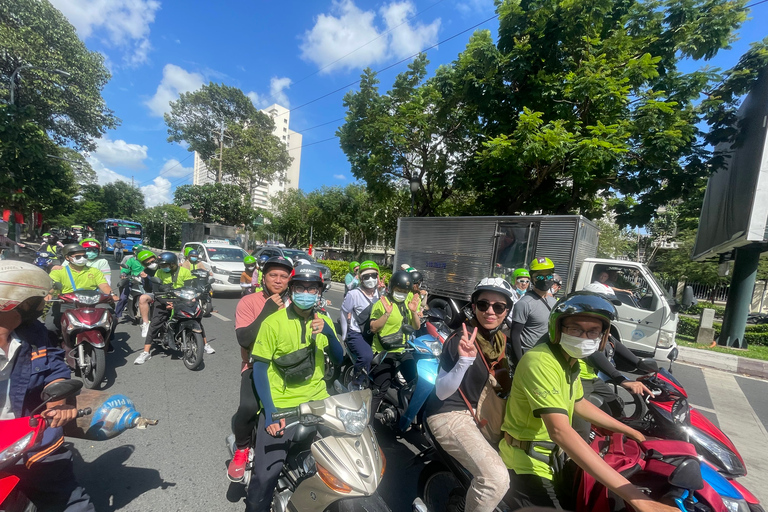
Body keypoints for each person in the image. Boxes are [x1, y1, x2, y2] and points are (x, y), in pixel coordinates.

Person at [500, 292, 676, 512]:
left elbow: (579, 403)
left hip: (551, 459)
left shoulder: (570, 362)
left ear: (603, 336)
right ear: (558, 329)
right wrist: (639, 499)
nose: (584, 337)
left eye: (592, 331)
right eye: (575, 329)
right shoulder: (541, 361)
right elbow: (560, 432)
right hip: (525, 464)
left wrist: (634, 433)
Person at [0, 260, 96, 511]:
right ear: (13, 304)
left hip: (32, 438)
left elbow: (55, 366)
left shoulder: (34, 332)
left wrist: (57, 402)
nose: (44, 306)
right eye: (36, 301)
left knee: (70, 502)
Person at [247, 264, 343, 512]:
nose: (306, 293)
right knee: (266, 475)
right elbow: (259, 369)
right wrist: (270, 412)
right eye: (300, 287)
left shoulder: (323, 321)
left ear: (319, 293)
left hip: (319, 400)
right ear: (292, 290)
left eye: (312, 288)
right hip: (282, 404)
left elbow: (340, 359)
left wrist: (330, 336)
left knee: (345, 459)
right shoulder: (273, 323)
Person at [424, 277, 514, 512]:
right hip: (450, 414)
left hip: (481, 410)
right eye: (483, 305)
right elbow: (442, 392)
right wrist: (464, 361)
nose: (490, 311)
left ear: (507, 311)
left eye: (498, 306)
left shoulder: (500, 340)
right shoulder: (460, 339)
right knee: (495, 480)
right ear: (473, 307)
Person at [228, 256, 293, 482]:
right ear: (263, 278)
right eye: (273, 275)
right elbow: (244, 340)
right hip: (256, 365)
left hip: (290, 368)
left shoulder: (295, 303)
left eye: (283, 276)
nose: (278, 280)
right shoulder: (249, 302)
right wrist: (266, 310)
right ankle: (242, 448)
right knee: (248, 406)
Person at [570, 283, 651, 440]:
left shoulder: (603, 327)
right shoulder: (581, 329)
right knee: (581, 430)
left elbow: (616, 345)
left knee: (616, 406)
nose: (610, 309)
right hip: (578, 380)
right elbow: (593, 354)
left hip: (593, 378)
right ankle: (572, 459)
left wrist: (641, 364)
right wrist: (621, 379)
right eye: (605, 304)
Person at [368, 270, 422, 421]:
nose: (402, 294)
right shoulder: (381, 304)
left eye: (405, 291)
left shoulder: (408, 304)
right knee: (379, 391)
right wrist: (386, 314)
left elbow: (416, 327)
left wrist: (414, 312)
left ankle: (408, 416)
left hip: (402, 350)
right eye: (399, 290)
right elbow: (373, 328)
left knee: (416, 383)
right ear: (391, 288)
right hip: (384, 352)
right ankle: (367, 425)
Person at [133, 252, 195, 365]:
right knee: (155, 324)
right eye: (161, 265)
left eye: (165, 265)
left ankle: (204, 344)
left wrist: (191, 298)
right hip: (162, 300)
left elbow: (189, 288)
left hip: (181, 300)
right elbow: (156, 291)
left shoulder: (185, 272)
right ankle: (146, 352)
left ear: (173, 264)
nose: (163, 267)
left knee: (195, 317)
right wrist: (166, 302)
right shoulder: (159, 272)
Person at [47, 244, 119, 334]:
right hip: (67, 302)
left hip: (93, 302)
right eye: (78, 256)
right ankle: (56, 345)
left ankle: (107, 341)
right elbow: (51, 286)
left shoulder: (94, 271)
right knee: (51, 327)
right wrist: (49, 294)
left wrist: (112, 294)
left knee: (111, 318)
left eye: (84, 256)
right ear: (67, 258)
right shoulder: (59, 272)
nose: (82, 258)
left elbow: (104, 285)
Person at [508, 257, 558, 368]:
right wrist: (520, 363)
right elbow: (515, 335)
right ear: (532, 278)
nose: (545, 280)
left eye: (548, 276)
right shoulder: (524, 303)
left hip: (548, 357)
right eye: (539, 276)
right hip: (531, 358)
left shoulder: (553, 301)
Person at [339, 260, 382, 381]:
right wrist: (344, 335)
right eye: (366, 276)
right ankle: (357, 381)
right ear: (361, 279)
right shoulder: (353, 294)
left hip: (374, 333)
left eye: (373, 275)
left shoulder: (379, 294)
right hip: (357, 334)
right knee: (366, 357)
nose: (370, 279)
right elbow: (343, 312)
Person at [114, 244, 146, 320]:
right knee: (123, 298)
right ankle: (116, 315)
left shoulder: (149, 262)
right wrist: (123, 274)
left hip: (145, 283)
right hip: (133, 281)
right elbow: (125, 269)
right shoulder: (131, 260)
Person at [135, 250, 159, 338]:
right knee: (142, 298)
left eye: (152, 261)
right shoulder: (146, 272)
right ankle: (145, 323)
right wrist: (145, 279)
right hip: (156, 294)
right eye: (148, 263)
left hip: (173, 293)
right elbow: (147, 289)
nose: (151, 264)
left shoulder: (165, 266)